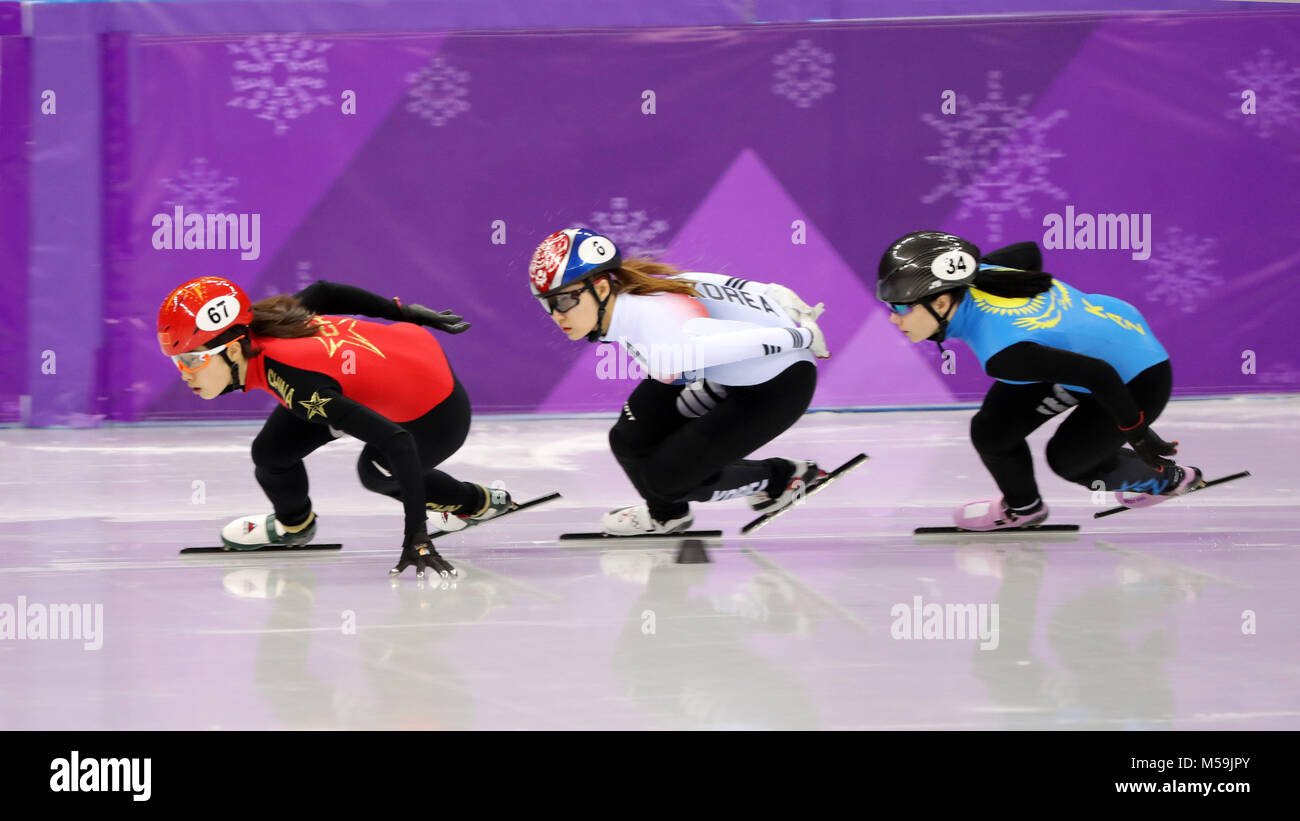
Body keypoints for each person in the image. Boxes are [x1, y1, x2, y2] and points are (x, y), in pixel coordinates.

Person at [157, 276, 501, 577]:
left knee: (376, 473)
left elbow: (398, 442)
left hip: (437, 409)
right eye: (176, 361)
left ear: (232, 352)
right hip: (381, 368)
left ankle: (474, 502)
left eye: (192, 359)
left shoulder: (298, 386)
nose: (184, 373)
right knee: (271, 453)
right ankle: (295, 526)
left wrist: (417, 537)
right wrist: (404, 311)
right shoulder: (260, 324)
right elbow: (325, 292)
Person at [876, 230, 1202, 531]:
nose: (893, 317)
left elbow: (1099, 374)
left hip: (1138, 376)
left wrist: (1138, 433)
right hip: (1080, 350)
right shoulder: (980, 275)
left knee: (1070, 462)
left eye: (901, 306)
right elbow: (1027, 252)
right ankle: (1024, 507)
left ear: (942, 303)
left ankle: (1166, 478)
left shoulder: (1002, 353)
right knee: (992, 432)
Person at [528, 227, 831, 535]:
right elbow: (702, 283)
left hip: (778, 387)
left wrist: (801, 336)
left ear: (602, 289)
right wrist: (767, 291)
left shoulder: (661, 339)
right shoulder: (638, 292)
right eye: (546, 303)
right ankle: (668, 516)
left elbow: (741, 343)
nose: (556, 315)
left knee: (666, 480)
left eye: (564, 301)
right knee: (627, 439)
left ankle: (781, 478)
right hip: (721, 369)